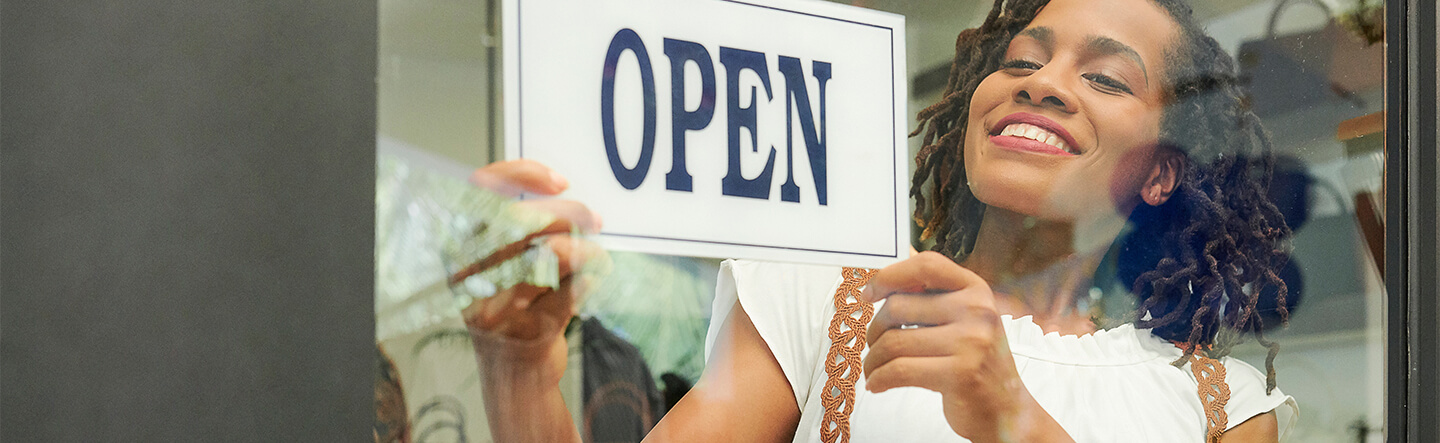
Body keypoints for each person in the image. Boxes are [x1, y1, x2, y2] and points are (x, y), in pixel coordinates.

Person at [462, 0, 1298, 441]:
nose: (1042, 83)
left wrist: (1015, 420)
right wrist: (522, 366)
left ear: (1159, 174)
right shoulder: (820, 293)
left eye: (1106, 79)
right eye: (1023, 59)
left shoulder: (1219, 403)